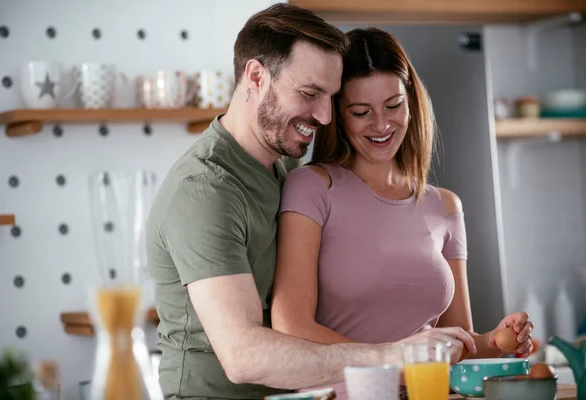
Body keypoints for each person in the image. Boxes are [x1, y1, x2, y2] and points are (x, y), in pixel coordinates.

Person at [147, 6, 478, 400]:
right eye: (309, 94)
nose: (324, 115)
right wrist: (391, 357)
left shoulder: (284, 166)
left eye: (331, 98)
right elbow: (243, 356)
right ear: (255, 76)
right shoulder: (205, 190)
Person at [271, 27, 534, 395]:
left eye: (393, 105)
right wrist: (393, 356)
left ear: (411, 101)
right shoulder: (313, 188)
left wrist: (500, 339)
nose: (381, 125)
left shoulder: (443, 205)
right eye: (361, 112)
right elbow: (291, 326)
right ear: (339, 116)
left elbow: (462, 343)